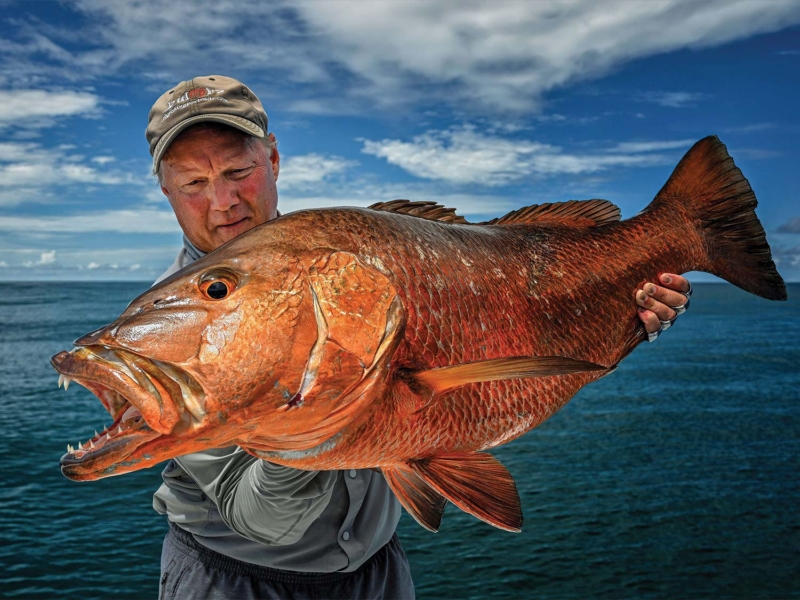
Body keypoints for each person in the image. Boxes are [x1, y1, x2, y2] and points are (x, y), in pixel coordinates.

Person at [145, 75, 692, 600]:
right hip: (233, 582)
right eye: (194, 182)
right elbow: (260, 516)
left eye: (239, 170)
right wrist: (304, 414)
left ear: (274, 160)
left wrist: (622, 323)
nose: (223, 202)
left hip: (379, 573)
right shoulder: (168, 336)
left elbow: (512, 352)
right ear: (166, 190)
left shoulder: (345, 251)